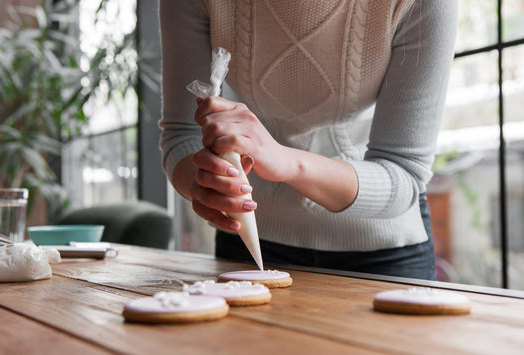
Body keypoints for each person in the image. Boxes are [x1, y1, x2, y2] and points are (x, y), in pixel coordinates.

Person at [159, 0, 458, 280]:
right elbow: (182, 133)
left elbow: (404, 172)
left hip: (385, 248)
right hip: (249, 238)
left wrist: (285, 161)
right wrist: (204, 184)